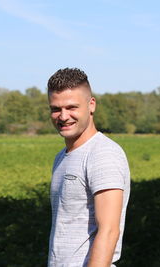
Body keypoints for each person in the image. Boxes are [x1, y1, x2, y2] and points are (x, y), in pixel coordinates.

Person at [47, 68, 131, 267]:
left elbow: (109, 230)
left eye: (71, 107)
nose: (63, 116)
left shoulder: (102, 154)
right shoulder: (62, 157)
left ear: (91, 105)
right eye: (55, 109)